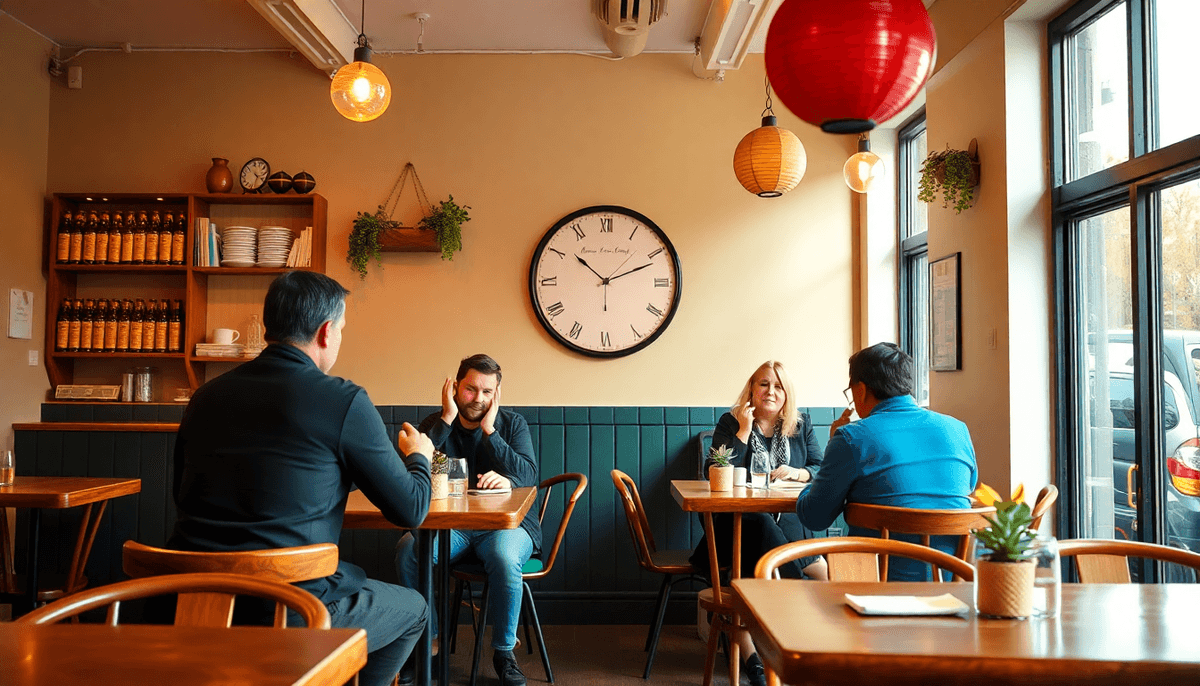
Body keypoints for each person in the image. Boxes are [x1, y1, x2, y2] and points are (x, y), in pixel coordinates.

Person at [170, 271, 432, 686]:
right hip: (291, 610)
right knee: (415, 609)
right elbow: (411, 509)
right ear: (327, 332)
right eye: (342, 329)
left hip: (190, 606)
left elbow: (179, 493)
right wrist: (420, 458)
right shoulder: (343, 400)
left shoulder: (205, 397)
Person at [395, 354, 539, 686]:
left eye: (488, 392)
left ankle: (504, 652)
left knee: (504, 556)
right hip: (451, 528)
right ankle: (427, 644)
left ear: (497, 393)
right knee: (408, 550)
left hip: (506, 527)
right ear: (456, 386)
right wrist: (446, 418)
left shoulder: (512, 424)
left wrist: (493, 439)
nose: (479, 399)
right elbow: (413, 471)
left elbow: (530, 475)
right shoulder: (435, 424)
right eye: (471, 389)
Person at [688, 360, 827, 686]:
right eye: (763, 384)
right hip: (735, 524)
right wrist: (743, 432)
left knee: (748, 571)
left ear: (786, 393)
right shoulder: (731, 420)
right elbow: (715, 469)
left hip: (787, 521)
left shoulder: (801, 425)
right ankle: (796, 598)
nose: (771, 391)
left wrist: (800, 472)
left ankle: (755, 662)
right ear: (752, 389)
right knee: (760, 527)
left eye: (778, 386)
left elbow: (821, 468)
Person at [796, 342, 978, 581]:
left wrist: (816, 474)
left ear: (860, 390)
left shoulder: (852, 437)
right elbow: (969, 487)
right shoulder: (957, 430)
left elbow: (815, 517)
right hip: (954, 585)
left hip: (874, 587)